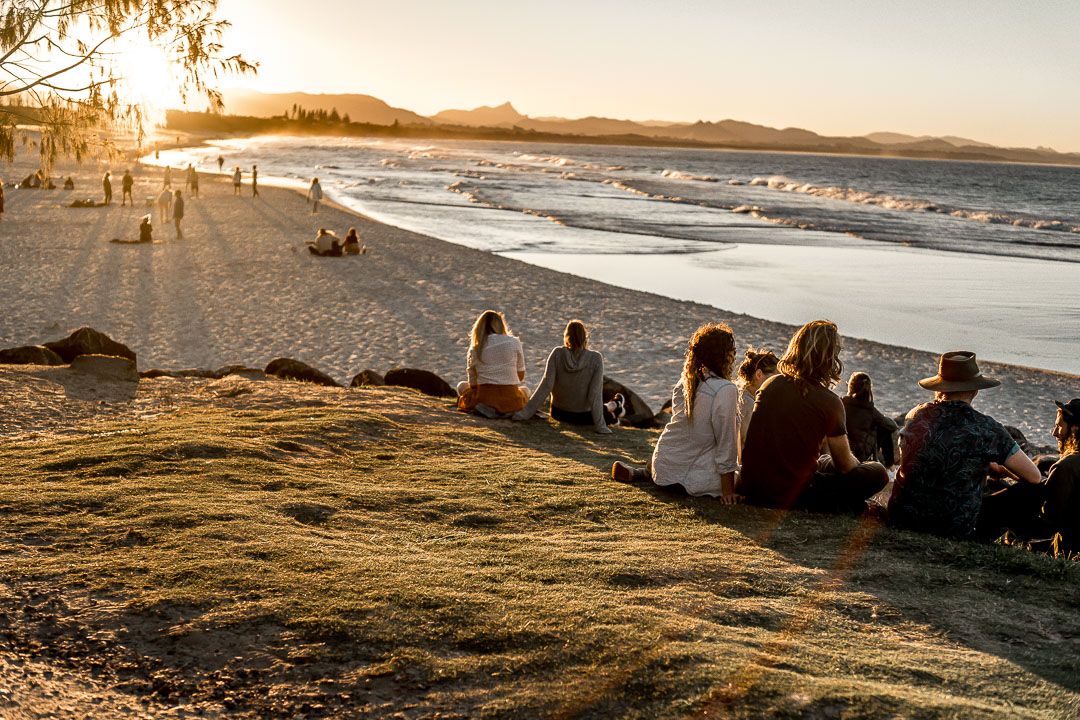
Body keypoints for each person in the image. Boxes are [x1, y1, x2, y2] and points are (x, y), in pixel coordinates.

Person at [738, 320, 889, 514]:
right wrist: (860, 468)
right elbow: (845, 465)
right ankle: (846, 505)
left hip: (753, 487)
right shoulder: (830, 401)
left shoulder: (770, 384)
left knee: (825, 460)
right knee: (877, 472)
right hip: (794, 494)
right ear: (830, 359)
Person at [887, 351, 1041, 540]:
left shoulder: (915, 416)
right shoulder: (988, 429)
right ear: (976, 390)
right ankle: (1024, 541)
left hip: (902, 517)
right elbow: (1033, 476)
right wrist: (1001, 470)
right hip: (953, 527)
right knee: (1035, 490)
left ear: (940, 388)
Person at [611, 323, 741, 500]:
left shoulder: (686, 382)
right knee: (747, 478)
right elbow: (726, 442)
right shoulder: (725, 389)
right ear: (722, 355)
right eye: (732, 350)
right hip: (689, 479)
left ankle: (643, 472)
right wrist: (728, 492)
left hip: (663, 465)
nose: (735, 354)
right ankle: (646, 473)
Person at [978, 398, 1080, 553]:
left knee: (1026, 491)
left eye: (1059, 427)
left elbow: (1049, 520)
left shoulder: (1066, 467)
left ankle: (976, 530)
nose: (1054, 433)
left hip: (1066, 548)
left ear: (1075, 428)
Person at [513, 320, 611, 434]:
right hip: (582, 416)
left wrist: (524, 413)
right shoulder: (596, 358)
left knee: (607, 412)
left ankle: (616, 405)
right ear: (585, 337)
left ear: (567, 336)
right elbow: (594, 394)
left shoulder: (557, 354)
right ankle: (617, 405)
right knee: (608, 416)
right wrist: (600, 426)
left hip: (559, 414)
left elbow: (546, 386)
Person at [456, 310, 528, 415]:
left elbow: (473, 384)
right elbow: (520, 377)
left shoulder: (476, 348)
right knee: (525, 390)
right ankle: (504, 409)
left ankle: (489, 408)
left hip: (484, 398)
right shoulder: (514, 342)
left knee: (461, 386)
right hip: (511, 400)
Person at [842, 372, 898, 464]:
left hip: (841, 451)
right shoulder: (870, 411)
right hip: (862, 457)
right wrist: (879, 420)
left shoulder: (841, 404)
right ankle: (889, 465)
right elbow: (892, 426)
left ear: (850, 387)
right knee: (884, 428)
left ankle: (888, 465)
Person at [736, 349, 779, 461]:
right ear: (759, 374)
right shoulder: (747, 403)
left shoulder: (746, 396)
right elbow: (744, 444)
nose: (780, 383)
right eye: (775, 378)